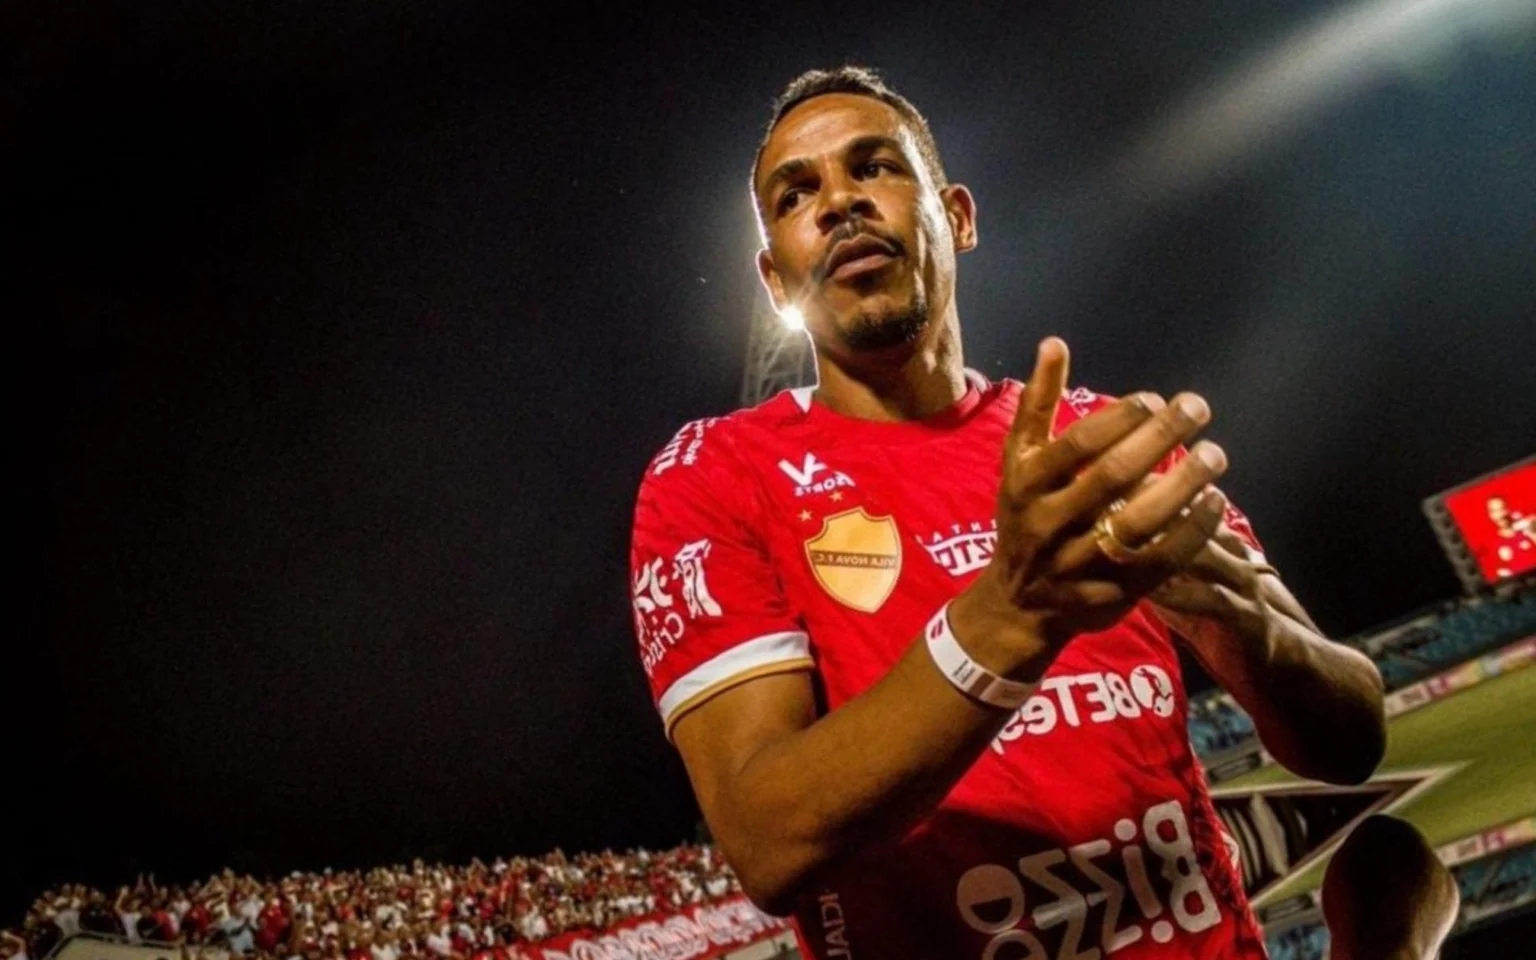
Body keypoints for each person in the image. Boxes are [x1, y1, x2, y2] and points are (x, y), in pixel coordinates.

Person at [629, 65, 1390, 958]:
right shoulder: (714, 477)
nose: (839, 203)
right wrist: (1013, 612)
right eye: (798, 194)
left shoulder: (1102, 446)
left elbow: (1353, 738)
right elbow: (768, 841)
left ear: (957, 216)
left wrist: (1242, 625)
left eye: (874, 168)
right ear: (775, 279)